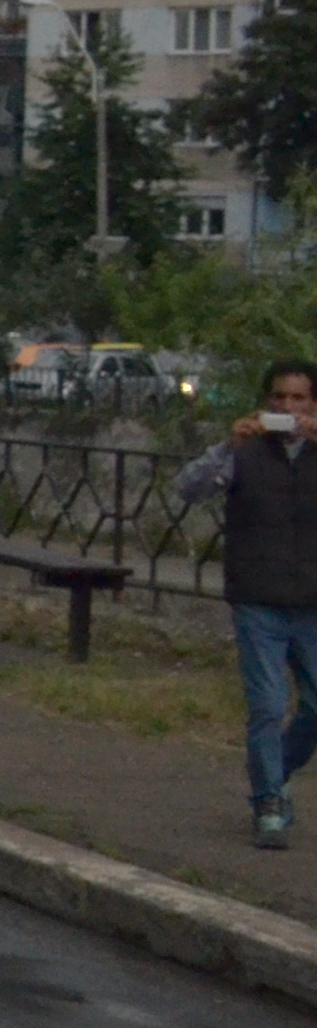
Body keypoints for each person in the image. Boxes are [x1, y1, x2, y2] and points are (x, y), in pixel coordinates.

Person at [184, 358, 317, 849]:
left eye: (298, 399)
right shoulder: (244, 452)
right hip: (258, 597)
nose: (287, 408)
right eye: (279, 398)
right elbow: (188, 489)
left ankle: (275, 772)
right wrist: (227, 446)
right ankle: (268, 802)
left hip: (312, 602)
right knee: (267, 704)